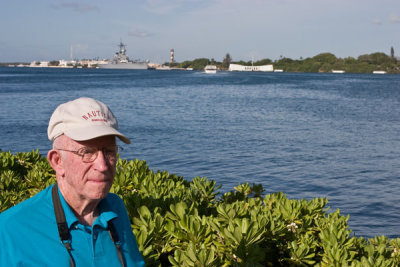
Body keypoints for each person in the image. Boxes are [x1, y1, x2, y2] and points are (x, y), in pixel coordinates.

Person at [0, 97, 145, 266]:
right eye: (87, 152)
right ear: (57, 161)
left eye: (109, 151)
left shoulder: (115, 207)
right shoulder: (11, 228)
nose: (102, 165)